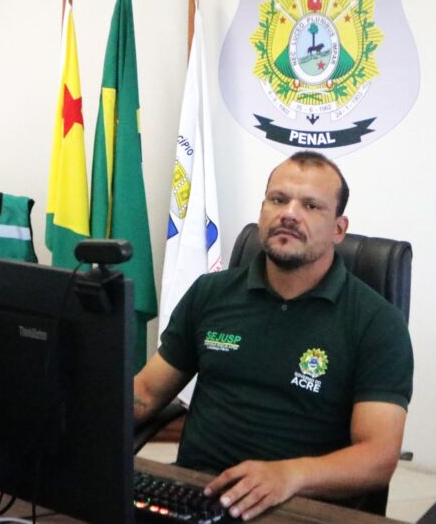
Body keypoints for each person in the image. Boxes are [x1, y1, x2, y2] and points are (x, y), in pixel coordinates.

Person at [133, 151, 413, 521]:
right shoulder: (210, 293)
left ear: (338, 229)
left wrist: (290, 476)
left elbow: (377, 458)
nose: (289, 214)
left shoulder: (377, 323)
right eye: (278, 200)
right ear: (263, 210)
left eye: (311, 205)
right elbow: (147, 393)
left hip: (297, 505)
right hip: (196, 495)